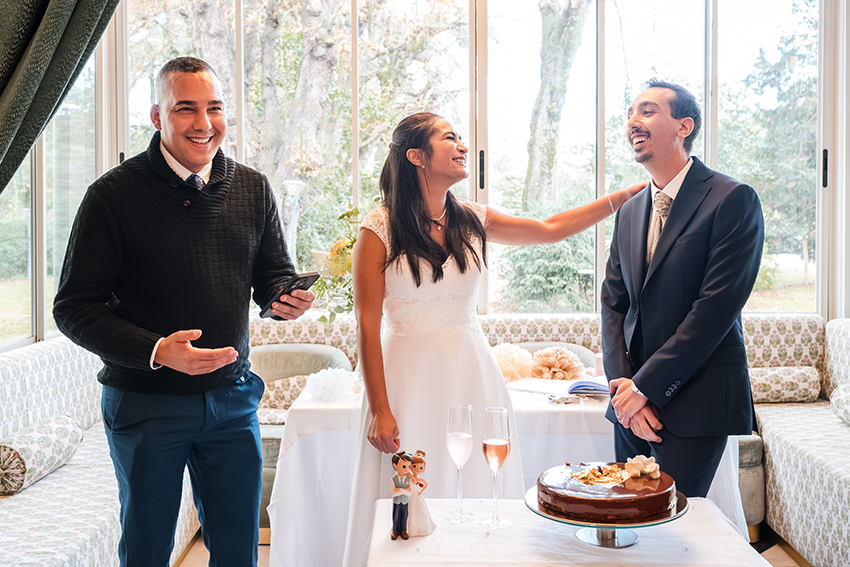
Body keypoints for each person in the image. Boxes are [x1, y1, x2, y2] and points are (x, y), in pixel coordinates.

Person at [342, 111, 644, 566]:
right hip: (406, 378)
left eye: (461, 137)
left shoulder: (472, 218)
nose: (462, 145)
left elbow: (548, 229)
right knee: (409, 489)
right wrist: (381, 408)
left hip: (471, 371)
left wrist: (620, 198)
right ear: (416, 156)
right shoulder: (379, 227)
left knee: (478, 483)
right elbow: (366, 323)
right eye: (450, 138)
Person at [52, 56, 314, 566]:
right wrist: (155, 351)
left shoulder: (253, 187)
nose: (203, 124)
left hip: (233, 400)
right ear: (156, 116)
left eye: (214, 108)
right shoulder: (111, 196)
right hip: (146, 404)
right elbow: (73, 307)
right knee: (148, 550)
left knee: (239, 551)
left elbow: (271, 280)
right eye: (185, 108)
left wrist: (285, 300)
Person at [600, 78, 764, 499]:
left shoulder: (733, 199)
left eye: (648, 111)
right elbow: (614, 305)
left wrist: (645, 388)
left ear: (683, 126)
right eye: (631, 112)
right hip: (630, 407)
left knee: (677, 533)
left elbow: (715, 310)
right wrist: (623, 388)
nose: (633, 121)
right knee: (626, 523)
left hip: (696, 401)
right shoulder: (630, 211)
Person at [407, 449, 437, 537]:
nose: (417, 470)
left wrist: (421, 490)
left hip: (417, 495)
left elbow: (425, 484)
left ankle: (420, 528)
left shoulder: (419, 479)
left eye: (421, 468)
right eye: (414, 466)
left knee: (419, 510)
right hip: (410, 496)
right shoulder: (410, 476)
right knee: (409, 510)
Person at [389, 451, 414, 540]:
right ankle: (395, 531)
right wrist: (404, 490)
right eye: (404, 466)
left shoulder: (409, 479)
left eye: (409, 466)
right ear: (395, 466)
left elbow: (409, 493)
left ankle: (403, 530)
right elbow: (392, 493)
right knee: (395, 516)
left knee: (404, 516)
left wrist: (398, 490)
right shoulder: (393, 479)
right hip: (396, 502)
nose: (407, 469)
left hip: (405, 502)